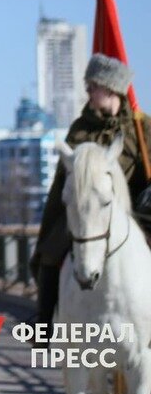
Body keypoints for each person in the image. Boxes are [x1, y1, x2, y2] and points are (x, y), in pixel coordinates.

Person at [33, 53, 151, 329]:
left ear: (110, 88)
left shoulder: (141, 126)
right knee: (51, 252)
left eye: (92, 87)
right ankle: (44, 323)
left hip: (135, 210)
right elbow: (65, 178)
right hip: (87, 211)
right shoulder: (80, 129)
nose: (87, 93)